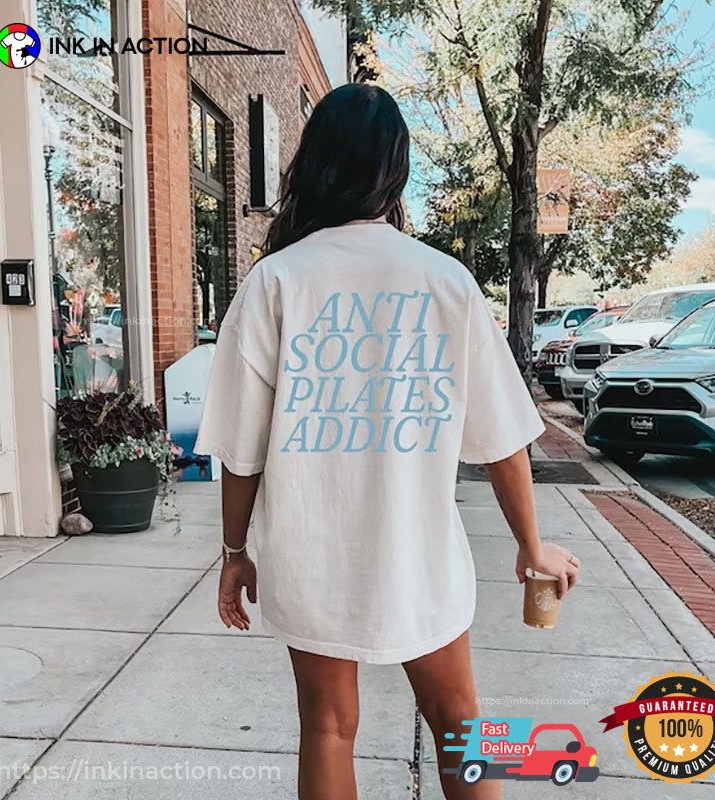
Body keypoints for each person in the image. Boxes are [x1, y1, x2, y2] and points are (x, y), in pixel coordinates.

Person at [195, 83, 580, 800]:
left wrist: (235, 552)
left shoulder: (273, 282)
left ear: (314, 162)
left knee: (327, 728)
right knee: (461, 721)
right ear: (395, 169)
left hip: (310, 555)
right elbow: (502, 439)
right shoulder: (447, 282)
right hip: (419, 554)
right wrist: (532, 546)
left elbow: (241, 453)